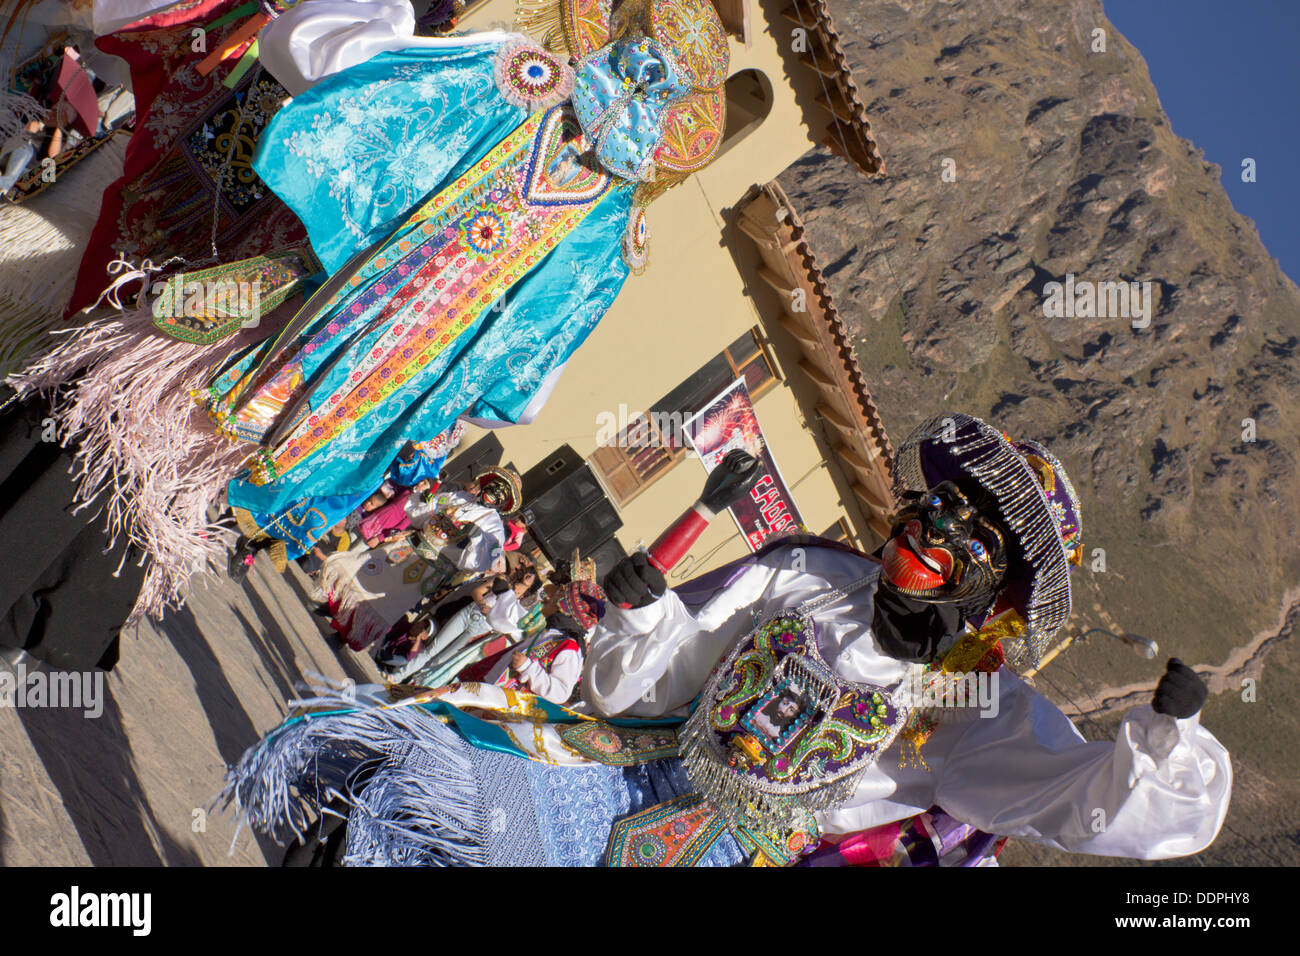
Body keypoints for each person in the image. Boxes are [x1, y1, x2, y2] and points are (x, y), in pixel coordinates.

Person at [224, 413, 1229, 867]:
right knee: (441, 783)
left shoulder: (970, 705)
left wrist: (1161, 742)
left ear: (992, 583)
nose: (932, 522)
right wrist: (647, 611)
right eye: (939, 500)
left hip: (731, 856)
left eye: (970, 528)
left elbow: (1073, 800)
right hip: (629, 773)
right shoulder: (806, 573)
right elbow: (657, 679)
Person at [11, 0, 732, 621]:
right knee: (188, 470)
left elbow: (319, 64)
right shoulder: (615, 237)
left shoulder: (517, 74)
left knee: (121, 394)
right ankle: (59, 614)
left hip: (274, 285)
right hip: (352, 389)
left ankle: (26, 571)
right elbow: (519, 397)